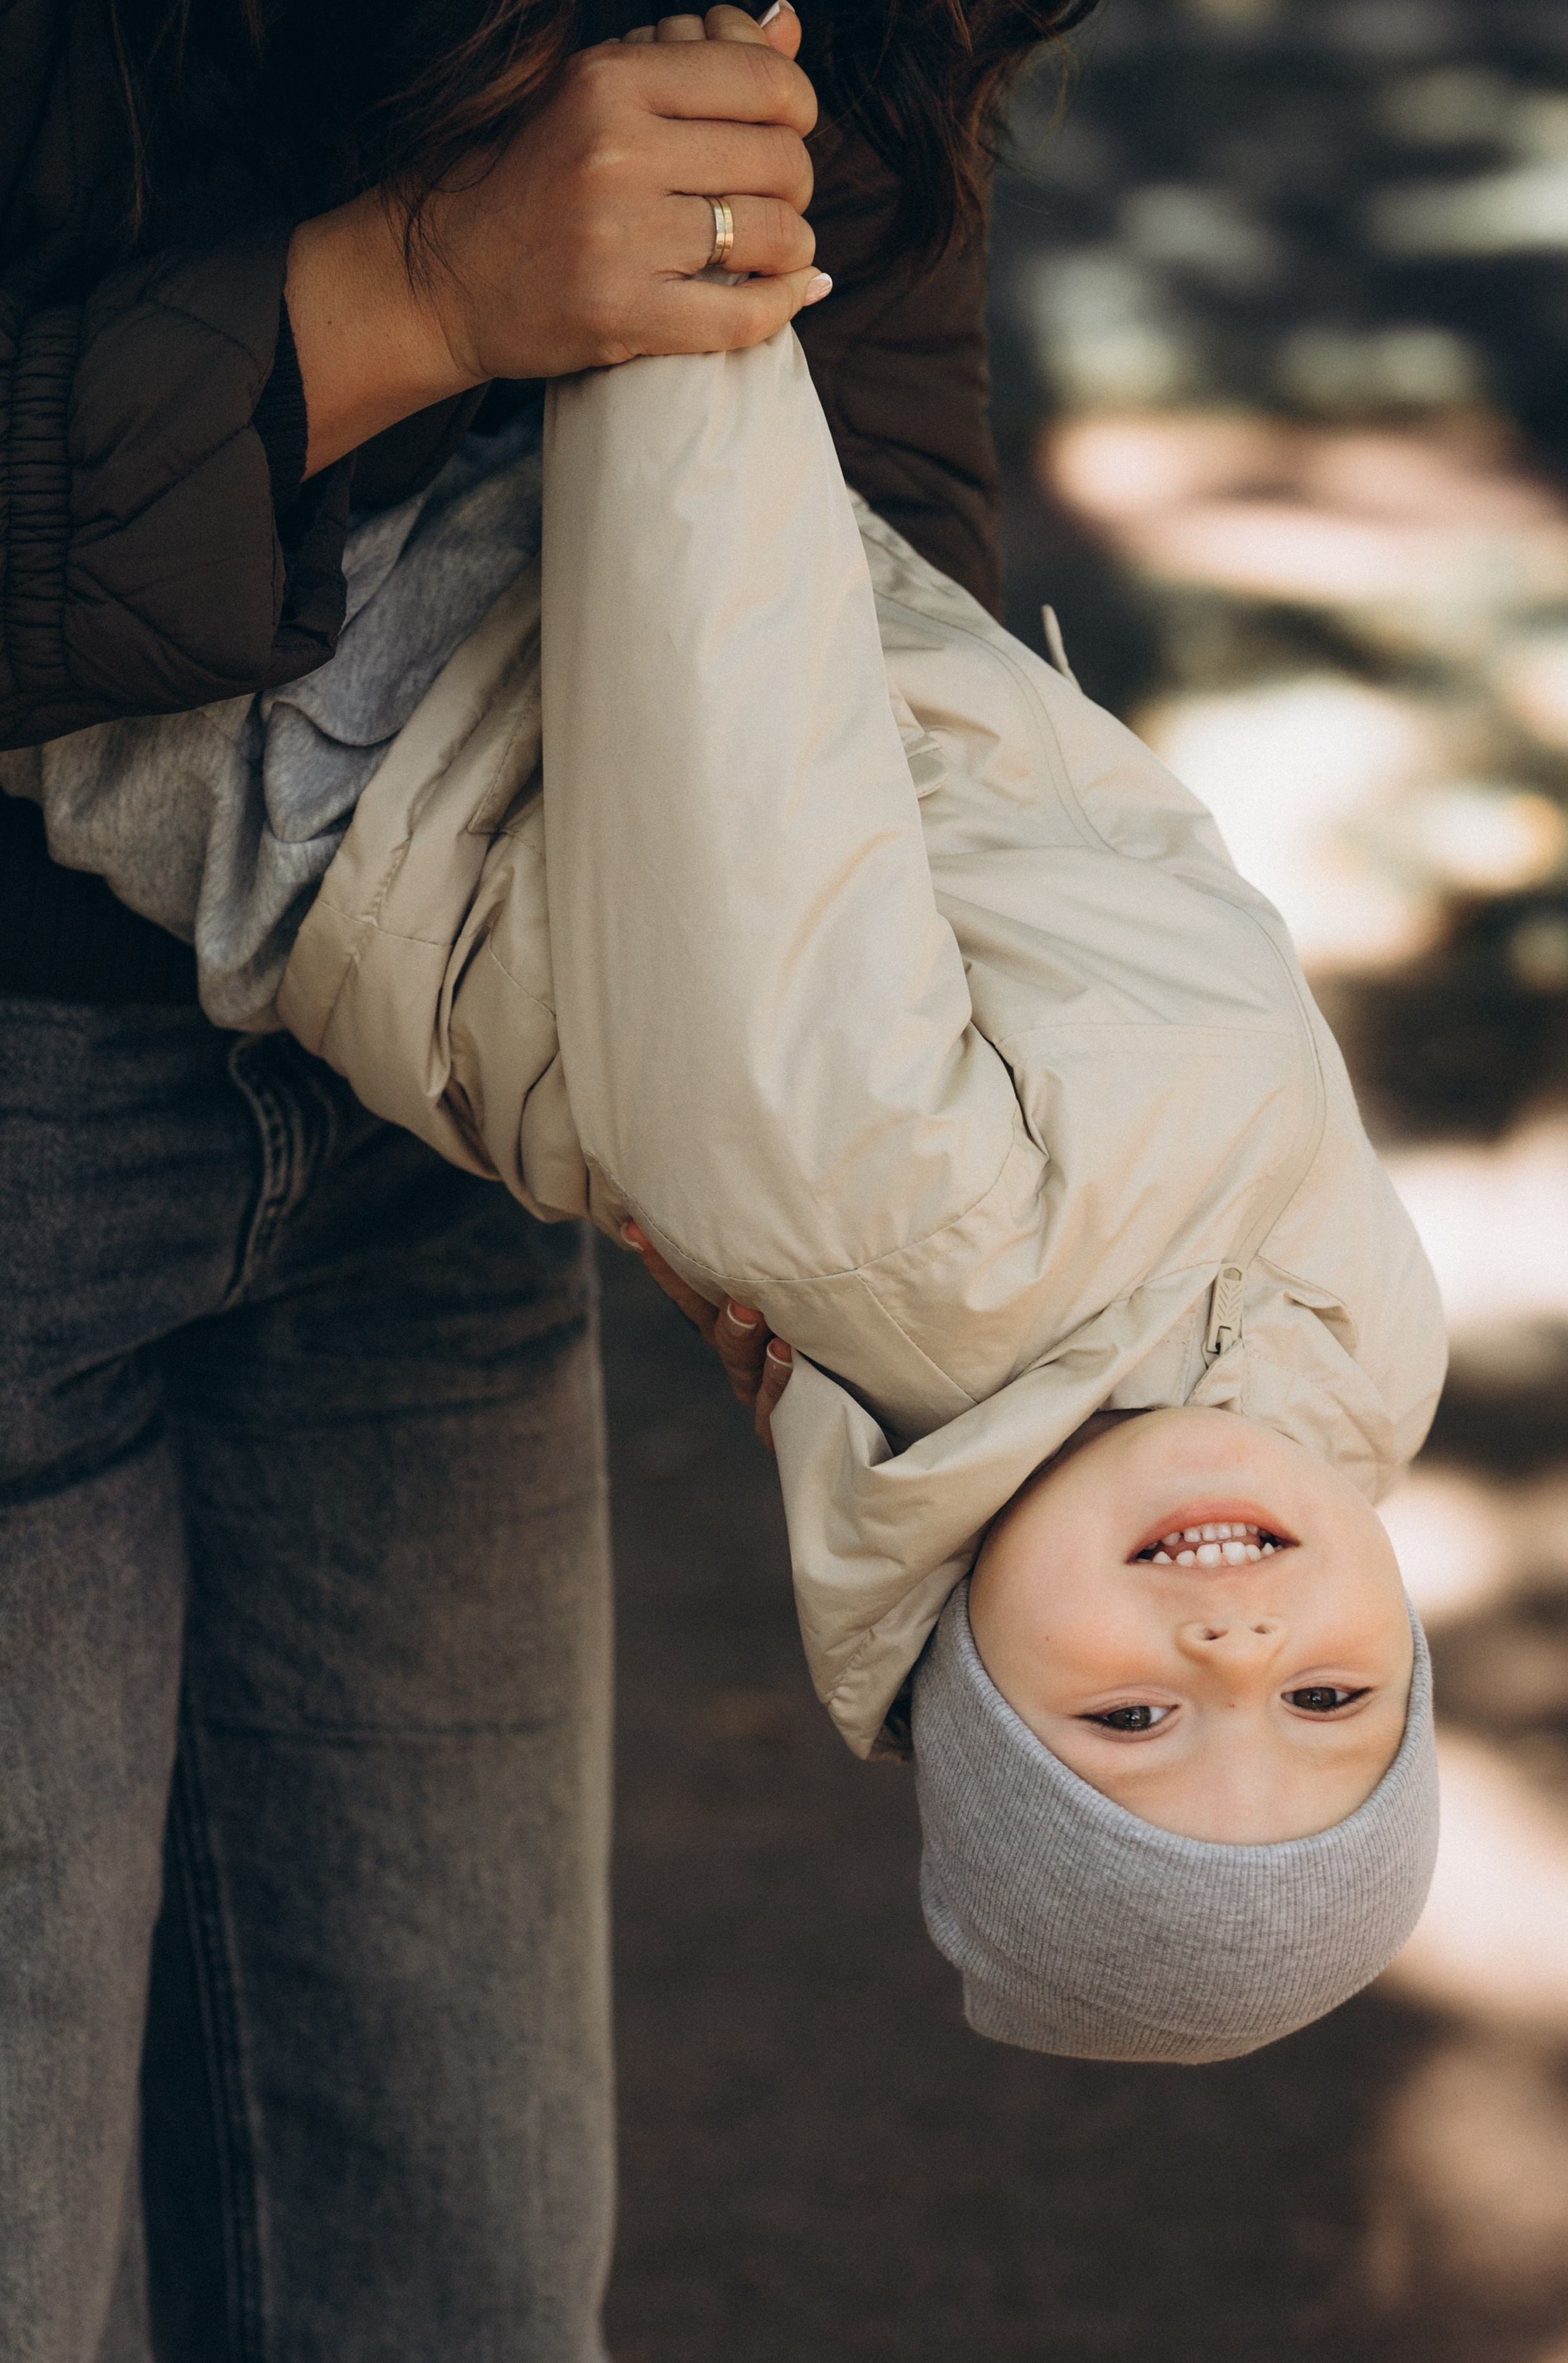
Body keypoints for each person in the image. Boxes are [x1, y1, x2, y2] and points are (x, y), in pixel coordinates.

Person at [0, 0, 1091, 2351]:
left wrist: (785, 1060)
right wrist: (411, 297)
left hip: (442, 1129)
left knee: (465, 2278)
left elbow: (856, 408)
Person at [263, 101, 1448, 2061]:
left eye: (1131, 1724)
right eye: (1333, 1704)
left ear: (963, 1690)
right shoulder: (1350, 1370)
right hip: (688, 557)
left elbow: (709, 639)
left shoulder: (909, 1224)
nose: (1239, 1651)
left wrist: (678, 144)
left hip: (366, 620)